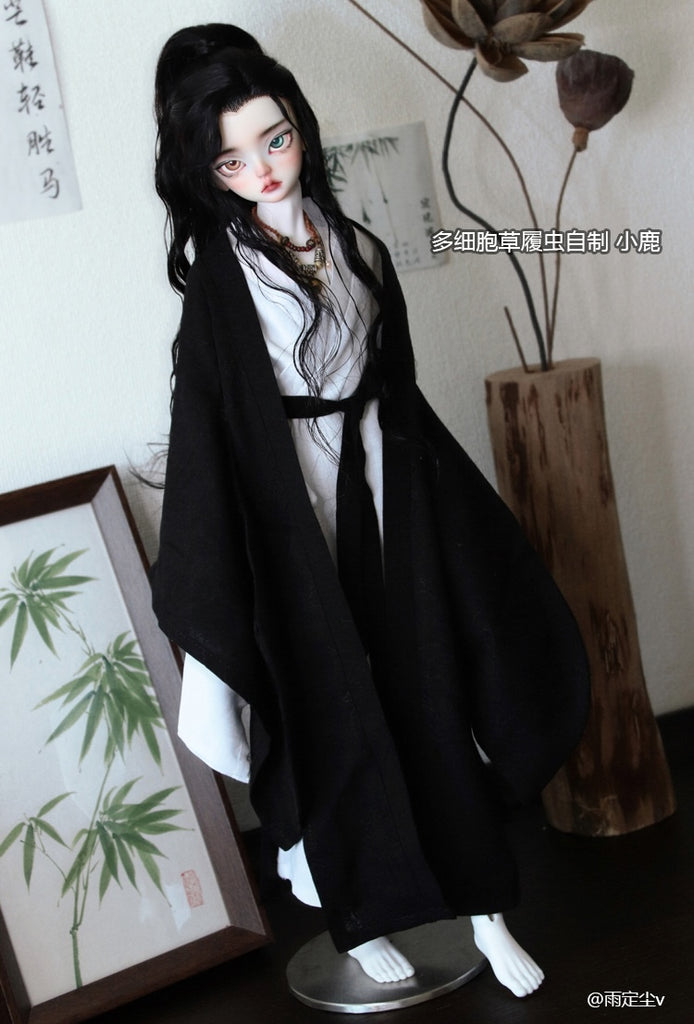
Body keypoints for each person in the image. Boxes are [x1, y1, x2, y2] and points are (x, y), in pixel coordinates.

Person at [150, 24, 590, 998]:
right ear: (208, 172)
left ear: (299, 127)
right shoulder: (222, 278)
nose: (263, 167)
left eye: (274, 138)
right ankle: (357, 923)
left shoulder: (355, 247)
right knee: (332, 721)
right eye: (232, 158)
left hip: (387, 497)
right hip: (292, 525)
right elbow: (213, 429)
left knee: (437, 690)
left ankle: (486, 913)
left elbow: (397, 387)